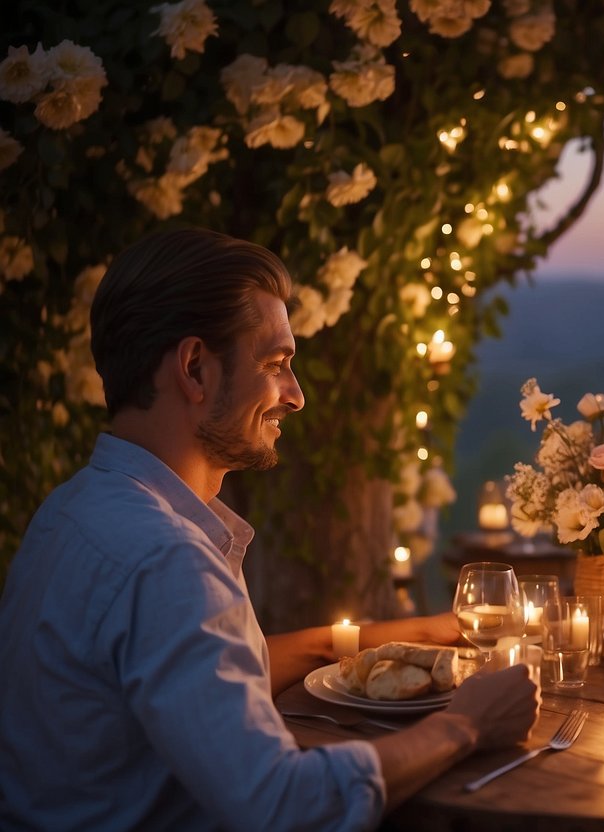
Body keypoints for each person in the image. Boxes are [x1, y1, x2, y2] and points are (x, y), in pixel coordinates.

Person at [0, 228, 540, 831]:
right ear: (194, 368)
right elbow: (283, 805)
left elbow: (213, 669)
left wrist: (415, 635)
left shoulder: (74, 510)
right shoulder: (165, 559)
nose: (296, 396)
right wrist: (464, 725)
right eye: (276, 364)